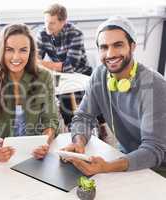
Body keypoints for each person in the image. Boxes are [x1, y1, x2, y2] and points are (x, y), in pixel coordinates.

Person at [61, 16, 166, 177]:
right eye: (104, 47)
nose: (110, 53)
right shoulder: (100, 75)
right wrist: (78, 142)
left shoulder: (155, 85)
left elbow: (154, 150)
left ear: (132, 46)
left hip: (160, 168)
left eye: (118, 45)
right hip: (127, 157)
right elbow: (83, 117)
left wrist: (107, 167)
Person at [0, 24, 59, 162]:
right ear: (1, 51)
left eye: (23, 50)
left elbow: (50, 120)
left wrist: (44, 142)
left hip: (33, 155)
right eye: (9, 50)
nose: (16, 57)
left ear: (31, 52)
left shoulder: (44, 77)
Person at [36, 4, 99, 131]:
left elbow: (70, 66)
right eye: (46, 21)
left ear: (63, 22)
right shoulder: (42, 33)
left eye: (52, 23)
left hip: (81, 73)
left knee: (89, 102)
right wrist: (52, 65)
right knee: (64, 100)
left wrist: (44, 64)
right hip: (61, 76)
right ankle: (72, 129)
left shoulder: (76, 33)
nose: (47, 26)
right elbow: (35, 60)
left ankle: (101, 125)